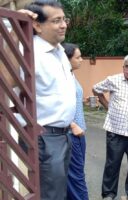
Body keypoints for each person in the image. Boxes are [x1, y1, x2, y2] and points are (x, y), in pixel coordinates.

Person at [10, 1, 77, 199]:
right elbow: (6, 79)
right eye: (56, 21)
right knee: (50, 195)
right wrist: (15, 31)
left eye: (64, 19)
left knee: (58, 191)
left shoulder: (59, 52)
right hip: (44, 138)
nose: (63, 25)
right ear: (37, 25)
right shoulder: (30, 53)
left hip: (63, 135)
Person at [92, 54, 128, 200]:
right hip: (115, 130)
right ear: (123, 67)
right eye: (126, 66)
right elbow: (96, 89)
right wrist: (107, 105)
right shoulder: (113, 80)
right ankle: (109, 194)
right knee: (112, 164)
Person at [62, 43, 89, 200]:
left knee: (74, 175)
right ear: (67, 59)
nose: (81, 60)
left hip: (79, 132)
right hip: (72, 133)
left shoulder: (71, 74)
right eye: (78, 57)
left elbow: (71, 100)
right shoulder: (63, 77)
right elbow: (58, 104)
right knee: (76, 177)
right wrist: (72, 125)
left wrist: (81, 100)